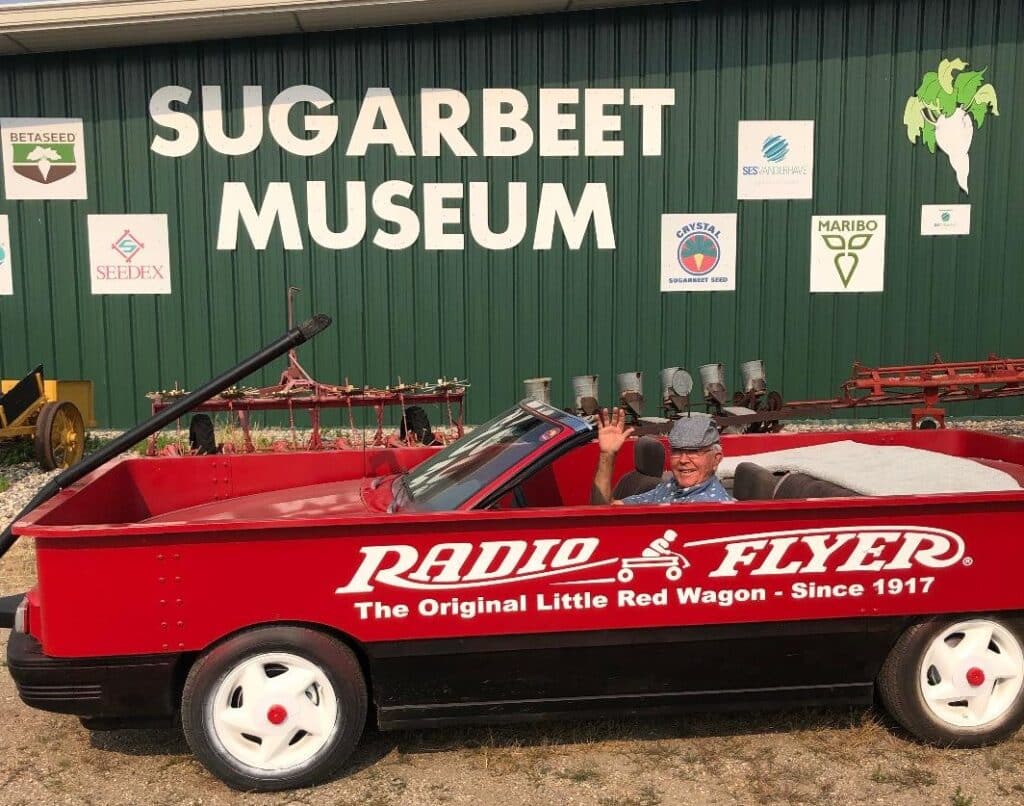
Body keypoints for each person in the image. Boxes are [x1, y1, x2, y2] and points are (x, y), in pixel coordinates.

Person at [591, 408, 733, 505]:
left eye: (694, 452)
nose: (683, 460)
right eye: (677, 451)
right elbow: (606, 509)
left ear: (716, 458)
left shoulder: (710, 507)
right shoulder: (670, 487)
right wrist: (607, 454)